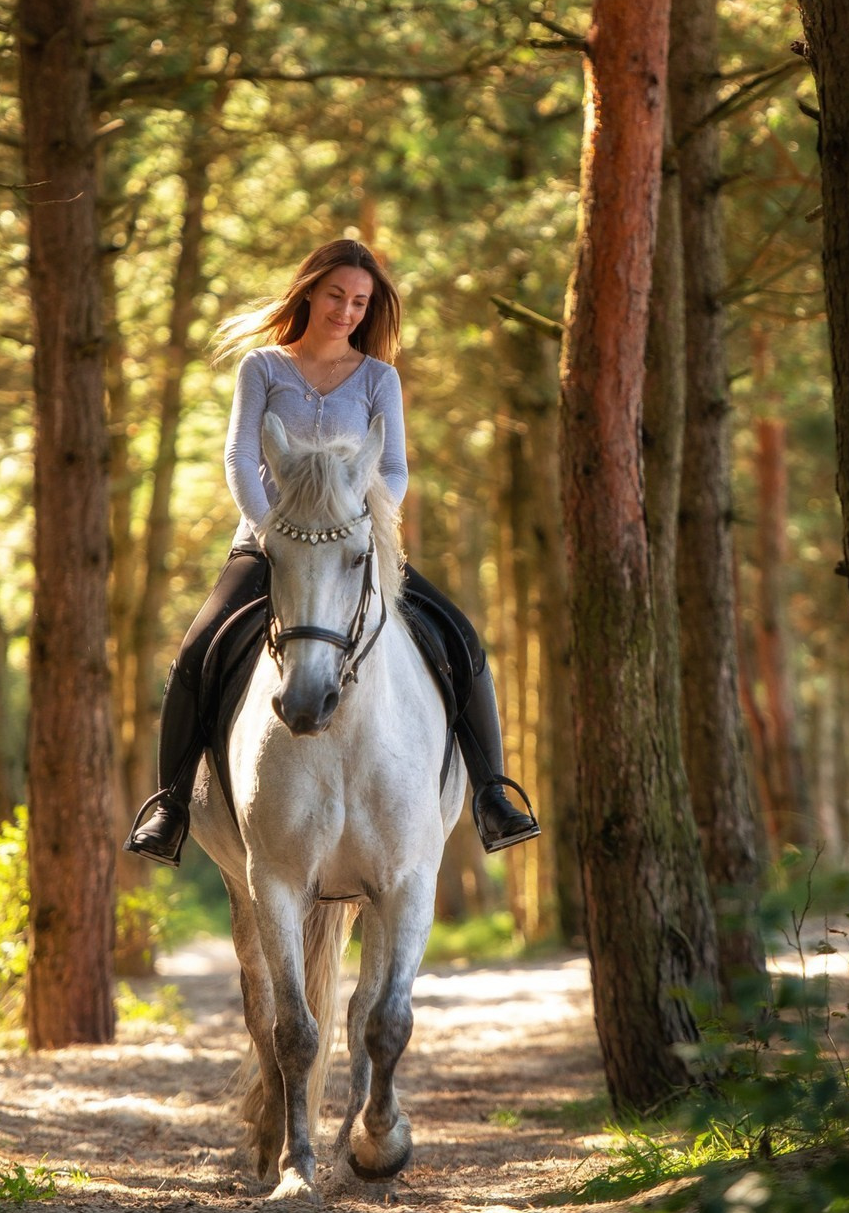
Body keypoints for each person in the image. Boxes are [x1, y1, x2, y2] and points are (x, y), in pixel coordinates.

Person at [124, 237, 540, 867]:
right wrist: (271, 531)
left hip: (357, 547)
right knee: (195, 651)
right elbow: (239, 458)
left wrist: (360, 526)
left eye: (360, 301)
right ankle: (172, 804)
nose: (347, 310)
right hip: (268, 543)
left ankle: (492, 794)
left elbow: (394, 470)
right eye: (337, 295)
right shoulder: (262, 367)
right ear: (311, 291)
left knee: (460, 637)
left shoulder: (378, 378)